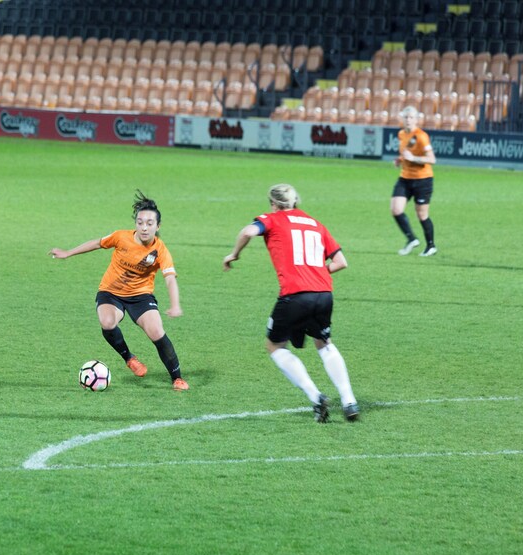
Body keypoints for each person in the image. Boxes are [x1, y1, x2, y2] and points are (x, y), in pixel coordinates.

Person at [222, 184, 359, 422]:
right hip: (324, 293)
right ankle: (349, 401)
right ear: (295, 202)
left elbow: (247, 232)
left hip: (295, 295)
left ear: (274, 204)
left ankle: (316, 397)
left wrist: (234, 254)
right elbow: (341, 262)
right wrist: (317, 273)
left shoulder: (272, 219)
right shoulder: (315, 224)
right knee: (324, 344)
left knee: (275, 346)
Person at [49, 192, 189, 391]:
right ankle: (129, 358)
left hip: (141, 296)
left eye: (149, 223)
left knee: (157, 332)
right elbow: (97, 243)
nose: (144, 227)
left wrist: (175, 305)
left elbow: (170, 279)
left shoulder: (160, 251)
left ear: (158, 226)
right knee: (107, 322)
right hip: (110, 292)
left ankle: (177, 378)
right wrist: (68, 253)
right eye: (140, 222)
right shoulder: (121, 237)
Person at [391, 106, 438, 257]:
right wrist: (400, 159)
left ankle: (431, 246)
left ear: (417, 120)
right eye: (406, 117)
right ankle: (411, 239)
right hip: (405, 178)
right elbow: (407, 151)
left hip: (423, 180)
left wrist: (414, 158)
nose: (408, 120)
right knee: (396, 209)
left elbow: (432, 159)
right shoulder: (401, 134)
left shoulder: (421, 136)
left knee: (422, 214)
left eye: (411, 117)